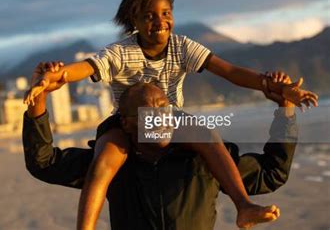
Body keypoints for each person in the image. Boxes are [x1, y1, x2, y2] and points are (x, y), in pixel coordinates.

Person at [23, 0, 318, 229]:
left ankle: (244, 205)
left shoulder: (207, 160)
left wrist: (280, 100)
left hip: (178, 120)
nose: (160, 22)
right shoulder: (121, 55)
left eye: (166, 13)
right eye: (149, 16)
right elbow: (85, 70)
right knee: (103, 161)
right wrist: (54, 79)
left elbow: (230, 72)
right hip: (122, 126)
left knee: (206, 135)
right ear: (134, 23)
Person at [23, 62, 299, 230]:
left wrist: (285, 110)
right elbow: (44, 163)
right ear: (127, 124)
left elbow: (271, 173)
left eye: (164, 107)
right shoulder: (114, 163)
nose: (159, 116)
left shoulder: (203, 161)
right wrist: (39, 99)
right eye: (146, 111)